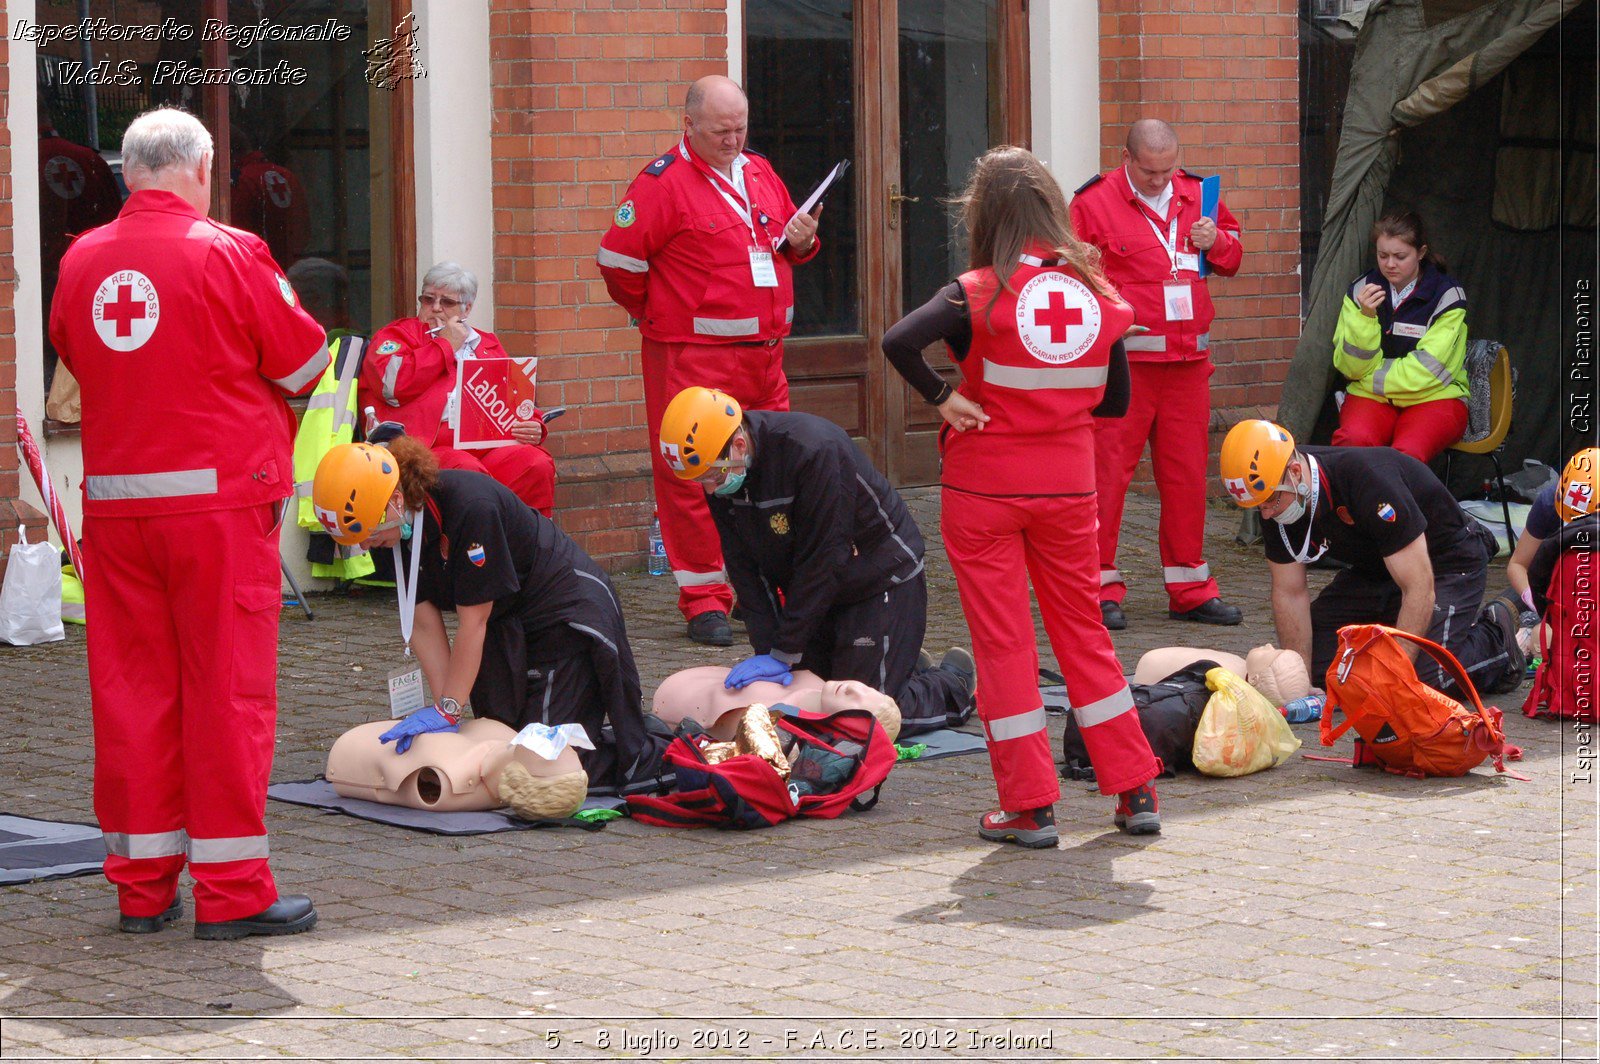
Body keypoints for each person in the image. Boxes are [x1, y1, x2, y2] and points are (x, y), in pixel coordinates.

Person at [49, 107, 329, 939]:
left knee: (132, 695)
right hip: (218, 510)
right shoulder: (229, 253)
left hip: (119, 510)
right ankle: (235, 894)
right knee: (227, 695)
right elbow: (306, 362)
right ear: (200, 170)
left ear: (128, 173)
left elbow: (75, 348)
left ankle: (141, 889)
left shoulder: (79, 261)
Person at [882, 145, 1164, 847]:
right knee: (1086, 636)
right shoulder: (1097, 294)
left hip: (983, 489)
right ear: (1052, 209)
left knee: (1005, 645)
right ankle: (1135, 790)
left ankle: (1030, 807)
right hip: (1069, 489)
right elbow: (1116, 401)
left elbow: (897, 341)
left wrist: (946, 398)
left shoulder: (975, 289)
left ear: (985, 215)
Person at [598, 74, 823, 647]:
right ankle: (703, 598)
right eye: (721, 130)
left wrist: (803, 239)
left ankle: (762, 589)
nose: (732, 140)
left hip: (765, 355)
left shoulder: (760, 171)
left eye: (740, 128)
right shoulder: (662, 184)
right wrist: (661, 315)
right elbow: (617, 262)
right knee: (692, 471)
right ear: (689, 125)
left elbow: (786, 246)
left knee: (769, 468)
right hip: (693, 356)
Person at [310, 436, 664, 792]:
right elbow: (421, 620)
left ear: (396, 501)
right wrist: (444, 710)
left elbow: (472, 622)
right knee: (502, 745)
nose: (366, 546)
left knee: (543, 762)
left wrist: (450, 706)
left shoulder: (471, 507)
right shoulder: (389, 530)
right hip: (505, 622)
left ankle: (672, 749)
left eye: (368, 535)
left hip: (562, 616)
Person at [655, 387, 975, 739]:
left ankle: (952, 683)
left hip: (879, 577)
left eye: (712, 477)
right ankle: (902, 663)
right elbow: (745, 568)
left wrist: (786, 649)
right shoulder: (724, 478)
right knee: (813, 693)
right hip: (819, 588)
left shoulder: (812, 450)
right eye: (700, 482)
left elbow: (825, 558)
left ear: (739, 447)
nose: (711, 490)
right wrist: (770, 653)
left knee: (858, 718)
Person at [1070, 118, 1245, 631]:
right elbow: (1070, 275)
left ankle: (1190, 589)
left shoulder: (1198, 193)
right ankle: (1097, 588)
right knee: (1106, 479)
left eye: (1167, 170)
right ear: (1127, 159)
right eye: (1149, 172)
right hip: (1126, 368)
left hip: (1189, 368)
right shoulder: (1093, 202)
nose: (1160, 180)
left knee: (1188, 479)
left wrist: (1217, 242)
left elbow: (1233, 257)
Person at [1218, 419, 1524, 697]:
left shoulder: (1368, 480)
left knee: (1420, 683)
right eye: (1259, 507)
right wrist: (1297, 682)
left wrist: (1398, 671)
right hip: (1376, 569)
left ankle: (1496, 639)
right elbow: (1289, 591)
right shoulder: (1277, 497)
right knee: (1317, 668)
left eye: (1271, 501)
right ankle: (1396, 636)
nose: (1267, 514)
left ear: (1295, 472)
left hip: (1445, 564)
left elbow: (1418, 586)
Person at [358, 261, 556, 516]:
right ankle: (477, 547)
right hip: (425, 449)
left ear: (467, 308)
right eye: (428, 299)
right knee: (469, 474)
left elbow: (516, 402)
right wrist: (444, 346)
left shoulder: (487, 343)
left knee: (535, 463)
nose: (436, 308)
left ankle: (529, 547)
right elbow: (392, 385)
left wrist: (534, 425)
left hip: (489, 446)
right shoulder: (397, 336)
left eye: (447, 302)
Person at [1330, 210, 1469, 462]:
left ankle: (1397, 503)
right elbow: (1349, 367)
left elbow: (1427, 370)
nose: (1390, 264)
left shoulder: (1448, 296)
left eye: (1400, 256)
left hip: (1434, 397)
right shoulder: (1361, 290)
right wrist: (1365, 318)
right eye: (1382, 256)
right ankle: (1354, 503)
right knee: (1352, 442)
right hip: (1373, 398)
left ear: (1421, 253)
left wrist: (1369, 378)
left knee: (1407, 455)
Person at [230, 131, 310, 268]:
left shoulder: (241, 180)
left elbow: (237, 231)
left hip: (259, 266)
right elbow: (303, 227)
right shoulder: (287, 175)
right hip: (290, 266)